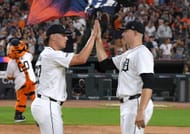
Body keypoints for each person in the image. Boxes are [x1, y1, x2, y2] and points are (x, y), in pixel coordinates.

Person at [31, 21, 98, 134]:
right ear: (53, 37)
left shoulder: (45, 54)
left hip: (44, 103)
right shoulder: (51, 54)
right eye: (63, 35)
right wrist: (93, 35)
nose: (66, 38)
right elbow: (81, 59)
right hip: (48, 105)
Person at [95, 20, 154, 134]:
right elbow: (104, 64)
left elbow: (149, 82)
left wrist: (141, 111)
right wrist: (98, 39)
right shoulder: (128, 54)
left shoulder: (142, 53)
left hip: (136, 102)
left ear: (136, 33)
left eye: (126, 31)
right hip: (128, 104)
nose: (123, 34)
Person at [6, 38, 36, 122]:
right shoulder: (27, 55)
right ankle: (40, 116)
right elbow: (30, 55)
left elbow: (9, 76)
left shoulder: (11, 62)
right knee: (35, 99)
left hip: (20, 82)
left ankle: (18, 116)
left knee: (21, 99)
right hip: (32, 80)